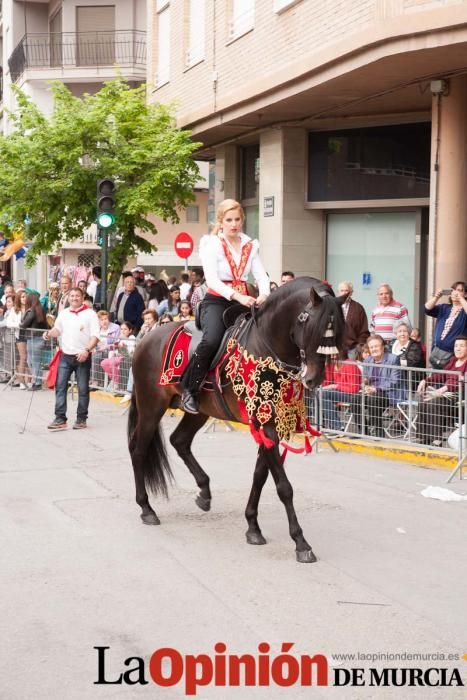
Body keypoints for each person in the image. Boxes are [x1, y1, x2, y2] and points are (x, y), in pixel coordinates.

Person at [181, 198, 270, 414]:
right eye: (229, 219)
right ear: (221, 221)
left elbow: (261, 275)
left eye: (237, 219)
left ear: (242, 220)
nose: (234, 224)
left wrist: (265, 294)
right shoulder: (212, 244)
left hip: (247, 300)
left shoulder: (250, 245)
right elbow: (212, 280)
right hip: (218, 300)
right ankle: (190, 389)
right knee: (211, 340)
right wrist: (239, 297)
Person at [43, 287, 100, 431]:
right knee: (60, 387)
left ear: (82, 297)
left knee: (82, 389)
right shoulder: (63, 313)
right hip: (65, 355)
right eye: (72, 296)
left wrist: (87, 350)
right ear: (68, 298)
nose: (74, 298)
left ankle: (81, 419)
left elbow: (95, 336)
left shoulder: (90, 314)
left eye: (77, 296)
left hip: (82, 356)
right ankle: (60, 418)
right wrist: (49, 333)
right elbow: (58, 330)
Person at [416, 335, 467, 446]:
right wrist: (426, 381)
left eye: (462, 346)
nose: (458, 348)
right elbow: (441, 375)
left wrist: (444, 389)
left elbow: (461, 381)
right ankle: (423, 437)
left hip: (460, 394)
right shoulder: (453, 361)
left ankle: (436, 439)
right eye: (456, 346)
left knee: (435, 401)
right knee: (423, 398)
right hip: (446, 392)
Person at [350, 334, 402, 437]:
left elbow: (395, 381)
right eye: (371, 347)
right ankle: (363, 430)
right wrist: (364, 384)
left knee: (372, 400)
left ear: (382, 347)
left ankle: (379, 431)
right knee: (355, 399)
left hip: (388, 393)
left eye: (376, 346)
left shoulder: (393, 359)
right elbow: (364, 379)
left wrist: (376, 388)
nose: (374, 349)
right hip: (371, 392)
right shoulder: (367, 360)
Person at [424, 281, 467, 368]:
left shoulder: (464, 311)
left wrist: (461, 299)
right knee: (435, 380)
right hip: (436, 352)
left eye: (459, 290)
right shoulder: (444, 307)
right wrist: (436, 297)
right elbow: (427, 309)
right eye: (453, 290)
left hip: (453, 355)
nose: (455, 292)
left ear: (465, 294)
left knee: (449, 380)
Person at [320, 354, 361, 432]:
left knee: (323, 394)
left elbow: (354, 389)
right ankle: (321, 427)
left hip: (352, 395)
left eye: (334, 353)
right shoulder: (333, 364)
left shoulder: (349, 364)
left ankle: (336, 428)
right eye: (330, 354)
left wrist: (335, 386)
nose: (332, 356)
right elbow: (327, 382)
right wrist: (327, 366)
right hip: (340, 393)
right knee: (319, 393)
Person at [20, 293, 48, 390]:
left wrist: (26, 312)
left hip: (33, 338)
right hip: (39, 338)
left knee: (33, 361)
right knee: (35, 361)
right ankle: (37, 381)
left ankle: (37, 383)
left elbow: (23, 324)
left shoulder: (31, 311)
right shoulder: (41, 310)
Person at [337, 281, 370, 359]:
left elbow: (364, 330)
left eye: (346, 290)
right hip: (337, 349)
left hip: (353, 349)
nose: (344, 293)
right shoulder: (333, 307)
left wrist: (360, 346)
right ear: (338, 292)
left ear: (351, 293)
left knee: (352, 370)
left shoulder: (359, 308)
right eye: (342, 291)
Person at [391, 321, 424, 393]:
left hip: (410, 381)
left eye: (405, 331)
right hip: (395, 378)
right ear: (396, 333)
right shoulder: (392, 344)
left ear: (409, 333)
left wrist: (393, 362)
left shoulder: (414, 345)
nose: (402, 334)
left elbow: (410, 362)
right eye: (399, 331)